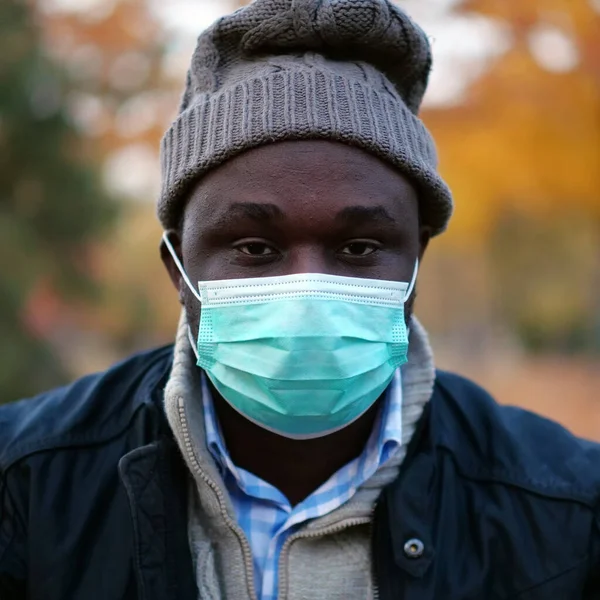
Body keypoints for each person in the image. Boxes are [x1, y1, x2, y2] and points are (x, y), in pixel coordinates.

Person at [1, 0, 599, 598]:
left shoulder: (569, 513)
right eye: (255, 247)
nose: (308, 290)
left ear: (417, 261)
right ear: (179, 269)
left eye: (361, 247)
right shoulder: (25, 484)